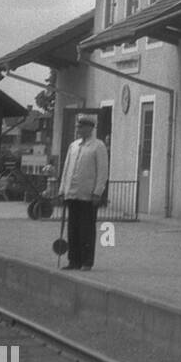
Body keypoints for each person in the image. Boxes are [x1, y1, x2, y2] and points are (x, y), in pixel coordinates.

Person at [58, 114, 109, 271]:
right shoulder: (73, 146)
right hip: (72, 193)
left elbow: (102, 171)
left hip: (88, 195)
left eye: (81, 127)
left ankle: (87, 261)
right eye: (78, 126)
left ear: (89, 128)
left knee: (86, 229)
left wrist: (98, 192)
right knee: (73, 229)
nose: (78, 129)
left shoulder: (98, 146)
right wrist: (62, 190)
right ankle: (74, 260)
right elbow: (66, 168)